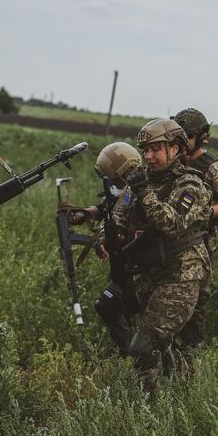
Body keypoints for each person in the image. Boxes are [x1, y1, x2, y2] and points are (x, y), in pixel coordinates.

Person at [118, 118, 211, 391]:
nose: (148, 156)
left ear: (175, 149)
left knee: (145, 343)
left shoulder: (190, 184)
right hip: (149, 273)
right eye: (145, 149)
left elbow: (170, 221)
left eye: (156, 148)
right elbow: (119, 212)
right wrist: (105, 236)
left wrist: (144, 192)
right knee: (163, 345)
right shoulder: (138, 183)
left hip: (181, 274)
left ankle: (144, 406)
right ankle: (182, 391)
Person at [92, 142, 143, 356]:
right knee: (111, 305)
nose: (112, 184)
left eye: (114, 179)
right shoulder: (121, 195)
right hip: (124, 267)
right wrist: (103, 238)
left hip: (145, 269)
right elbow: (111, 214)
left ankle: (135, 356)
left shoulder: (144, 192)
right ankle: (128, 353)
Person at [172, 107, 217, 347]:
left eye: (187, 136)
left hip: (201, 243)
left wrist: (205, 213)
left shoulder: (211, 167)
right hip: (172, 242)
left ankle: (191, 351)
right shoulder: (174, 162)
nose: (182, 141)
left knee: (197, 298)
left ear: (200, 136)